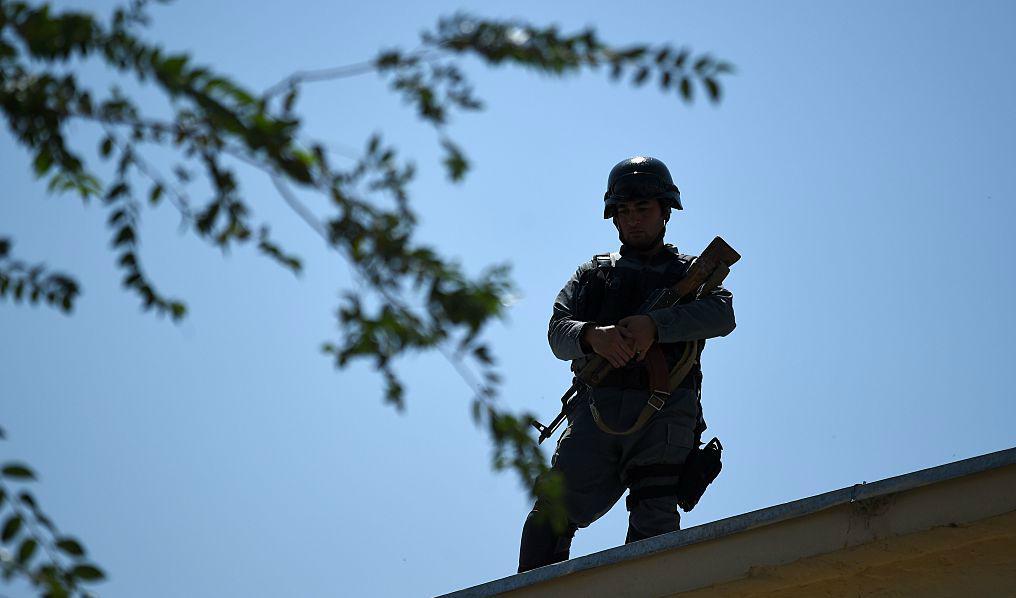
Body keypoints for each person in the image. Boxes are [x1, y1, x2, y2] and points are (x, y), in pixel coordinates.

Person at [518, 156, 736, 573]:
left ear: (665, 212)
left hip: (665, 413)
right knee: (549, 519)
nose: (633, 220)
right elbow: (556, 332)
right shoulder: (593, 275)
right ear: (614, 218)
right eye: (625, 212)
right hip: (596, 414)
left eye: (643, 210)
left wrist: (657, 326)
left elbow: (722, 316)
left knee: (654, 527)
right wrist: (592, 336)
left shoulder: (691, 274)